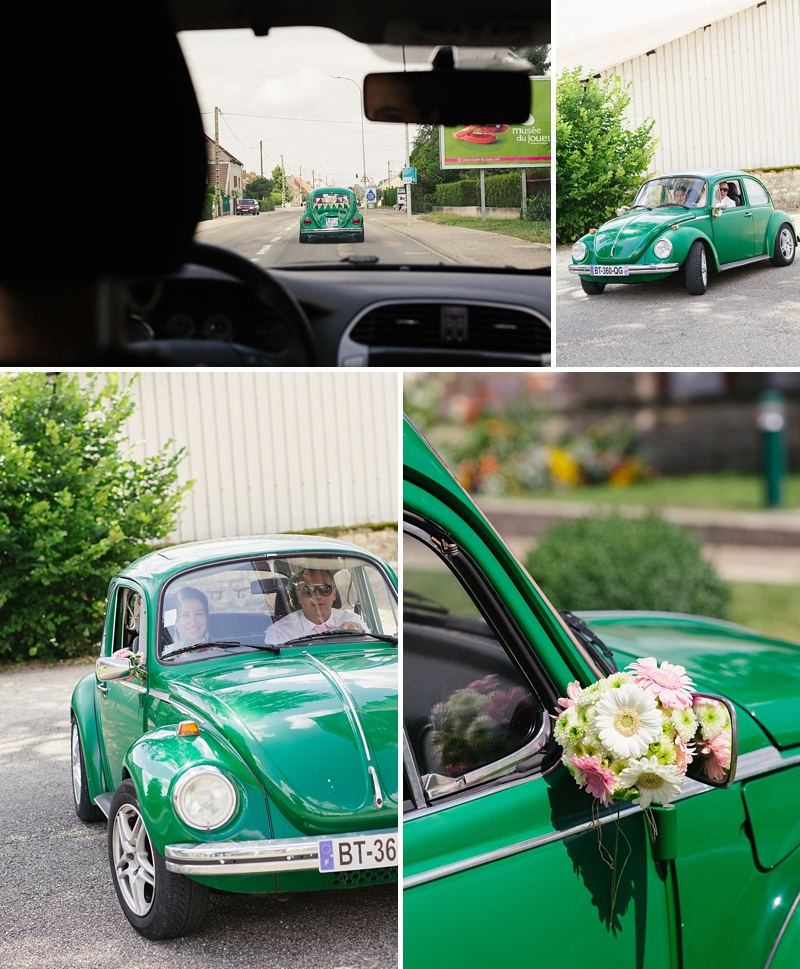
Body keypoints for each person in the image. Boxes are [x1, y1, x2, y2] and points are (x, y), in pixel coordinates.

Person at [265, 568, 367, 644]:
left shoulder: (352, 622)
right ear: (299, 597)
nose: (317, 596)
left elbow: (370, 654)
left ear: (334, 594)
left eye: (324, 589)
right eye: (309, 590)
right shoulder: (280, 632)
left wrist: (355, 635)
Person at [162, 587, 212, 656]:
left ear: (207, 618)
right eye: (185, 615)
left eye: (199, 614)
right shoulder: (166, 657)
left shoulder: (221, 651)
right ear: (175, 621)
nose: (193, 622)